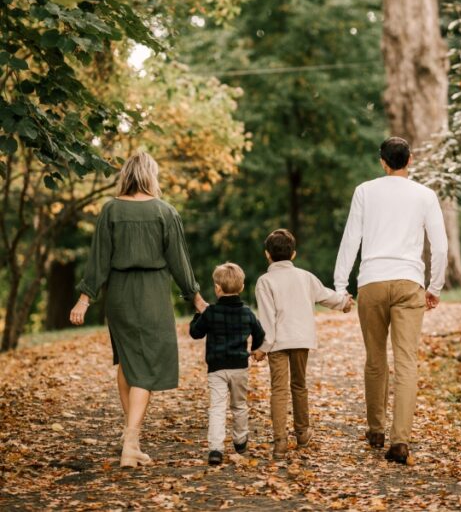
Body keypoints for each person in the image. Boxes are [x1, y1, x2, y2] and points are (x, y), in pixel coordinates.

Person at [69, 151, 207, 468]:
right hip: (152, 295)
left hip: (118, 295)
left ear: (127, 175)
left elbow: (98, 259)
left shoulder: (110, 210)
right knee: (145, 363)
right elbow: (179, 262)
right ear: (150, 175)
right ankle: (130, 442)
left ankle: (131, 433)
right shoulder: (165, 212)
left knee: (129, 360)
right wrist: (196, 298)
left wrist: (85, 298)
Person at [333, 137, 448, 465]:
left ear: (382, 161)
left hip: (371, 281)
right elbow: (439, 247)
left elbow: (351, 239)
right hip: (409, 282)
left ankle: (376, 430)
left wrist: (341, 285)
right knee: (407, 361)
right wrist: (434, 286)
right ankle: (400, 441)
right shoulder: (425, 195)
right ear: (409, 160)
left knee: (375, 359)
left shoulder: (365, 191)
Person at [252, 229, 352, 460]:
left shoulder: (264, 282)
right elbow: (327, 295)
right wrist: (345, 303)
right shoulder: (305, 277)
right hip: (301, 338)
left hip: (276, 343)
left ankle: (280, 442)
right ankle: (303, 433)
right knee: (299, 385)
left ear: (267, 254)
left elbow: (266, 318)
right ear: (294, 254)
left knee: (279, 389)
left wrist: (262, 347)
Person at [189, 262, 265, 466]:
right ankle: (240, 440)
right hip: (240, 366)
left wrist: (198, 312)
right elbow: (259, 334)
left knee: (217, 407)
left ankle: (215, 449)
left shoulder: (211, 313)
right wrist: (256, 349)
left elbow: (196, 332)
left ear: (217, 288)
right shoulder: (247, 313)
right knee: (239, 405)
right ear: (241, 288)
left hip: (217, 368)